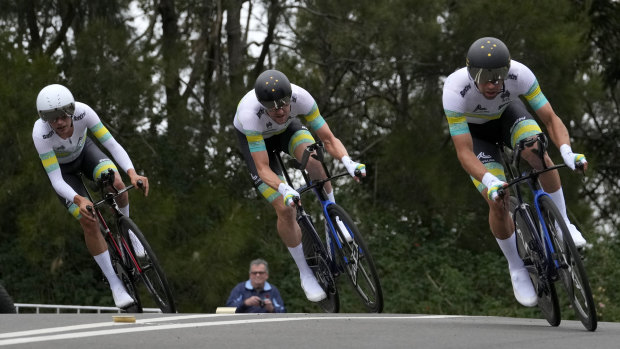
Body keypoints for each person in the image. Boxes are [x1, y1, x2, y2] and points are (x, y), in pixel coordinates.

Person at [442, 37, 588, 307]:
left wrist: (567, 152)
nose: (493, 84)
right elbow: (464, 152)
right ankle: (517, 267)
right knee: (498, 199)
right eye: (485, 78)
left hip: (509, 116)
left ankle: (563, 224)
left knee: (538, 152)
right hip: (477, 136)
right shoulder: (454, 89)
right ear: (471, 73)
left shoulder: (520, 74)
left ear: (507, 71)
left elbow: (550, 119)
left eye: (498, 77)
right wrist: (490, 182)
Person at [234, 69, 366, 302]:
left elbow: (329, 139)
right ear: (263, 106)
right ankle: (305, 273)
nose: (281, 110)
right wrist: (284, 189)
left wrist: (349, 162)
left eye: (284, 105)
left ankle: (333, 220)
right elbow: (263, 169)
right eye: (274, 108)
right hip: (257, 144)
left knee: (314, 159)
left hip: (287, 132)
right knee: (286, 209)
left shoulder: (301, 97)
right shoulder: (249, 114)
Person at [32, 84, 149, 309]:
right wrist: (78, 199)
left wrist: (132, 173)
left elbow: (112, 145)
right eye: (52, 118)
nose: (59, 122)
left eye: (63, 115)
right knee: (88, 219)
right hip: (64, 174)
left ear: (72, 110)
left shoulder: (84, 112)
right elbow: (56, 180)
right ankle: (115, 285)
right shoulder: (40, 133)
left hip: (86, 152)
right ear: (45, 119)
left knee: (117, 182)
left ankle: (128, 233)